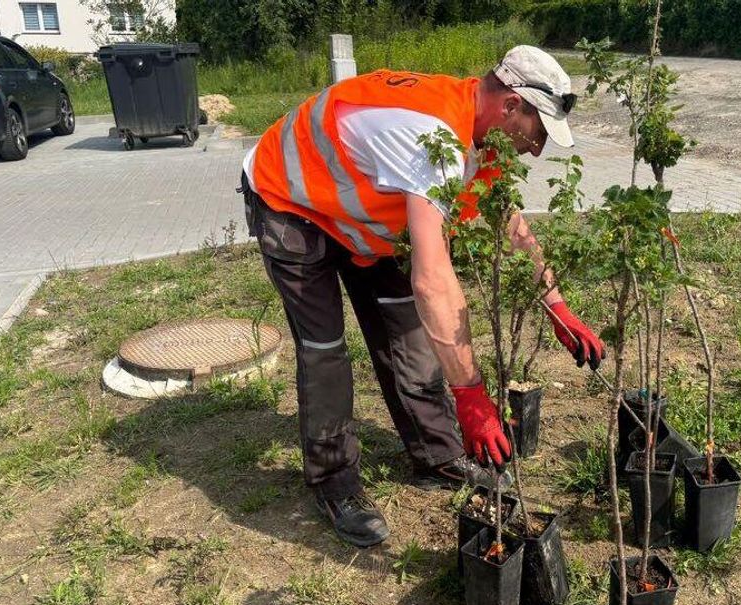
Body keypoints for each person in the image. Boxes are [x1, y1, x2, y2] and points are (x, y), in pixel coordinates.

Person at [239, 45, 605, 548]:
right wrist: (471, 394)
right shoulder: (431, 139)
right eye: (538, 132)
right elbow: (433, 279)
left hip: (362, 220)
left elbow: (510, 224)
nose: (537, 150)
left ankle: (438, 455)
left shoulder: (483, 136)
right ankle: (334, 480)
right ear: (511, 105)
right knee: (325, 352)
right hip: (291, 202)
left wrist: (556, 305)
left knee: (409, 335)